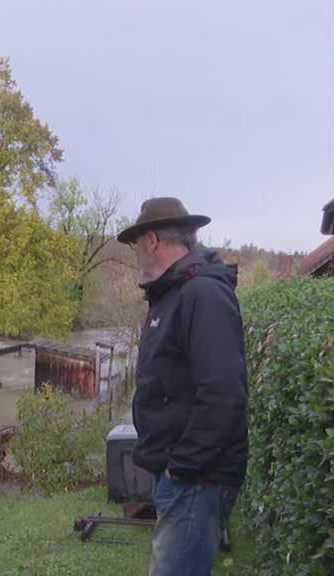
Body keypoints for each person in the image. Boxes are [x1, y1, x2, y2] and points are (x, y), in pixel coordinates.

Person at [117, 198, 249, 576]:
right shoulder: (172, 295)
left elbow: (223, 394)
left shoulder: (202, 295)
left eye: (136, 242)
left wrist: (183, 465)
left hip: (196, 478)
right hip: (182, 474)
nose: (136, 252)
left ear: (153, 239)